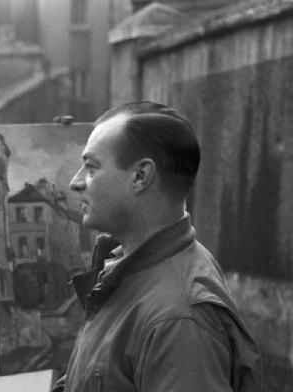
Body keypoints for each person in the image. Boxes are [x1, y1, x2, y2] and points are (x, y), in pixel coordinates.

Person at [53, 101, 263, 391]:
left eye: (91, 167)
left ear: (140, 176)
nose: (76, 182)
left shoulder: (178, 319)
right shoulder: (131, 266)